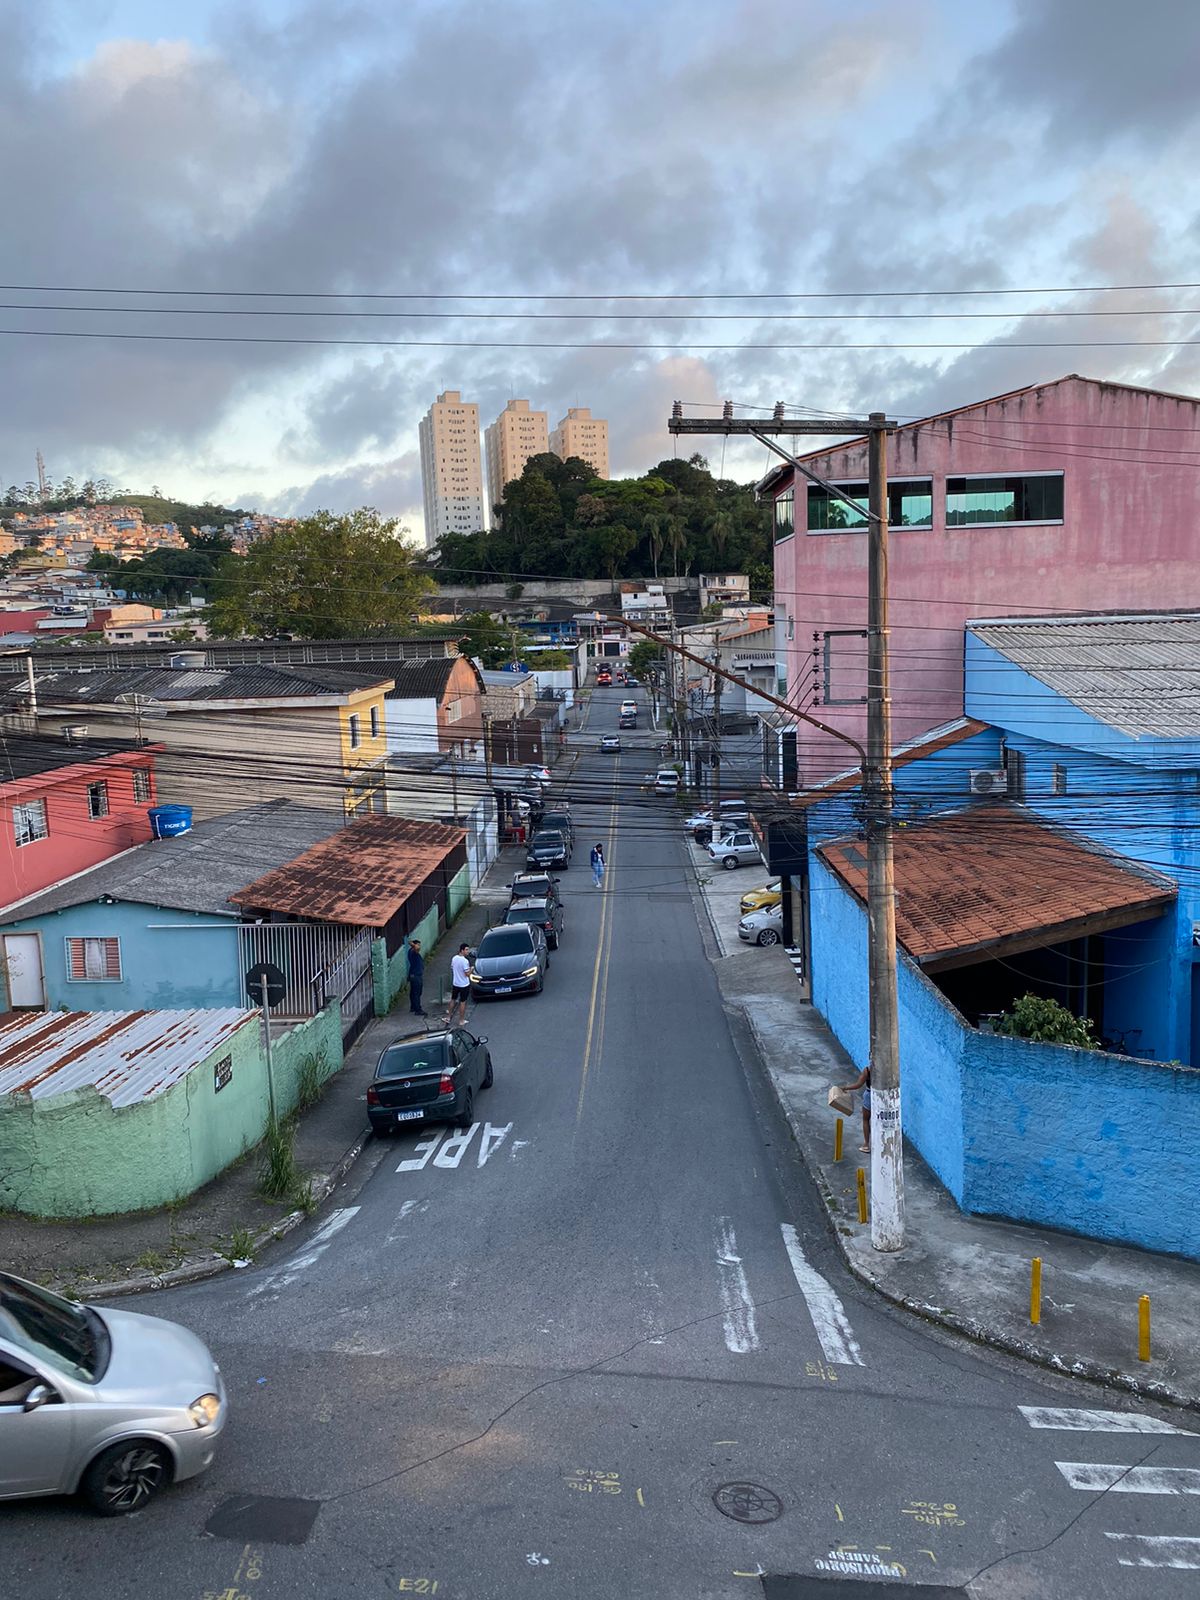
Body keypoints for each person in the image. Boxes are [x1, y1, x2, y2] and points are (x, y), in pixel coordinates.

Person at [840, 1064, 872, 1153]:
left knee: (866, 1120)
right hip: (882, 1097)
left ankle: (866, 1145)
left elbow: (858, 1085)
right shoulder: (887, 1069)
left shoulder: (868, 1070)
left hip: (870, 1096)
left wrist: (845, 1088)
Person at [445, 942, 472, 1026]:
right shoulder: (465, 961)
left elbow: (452, 968)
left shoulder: (454, 958)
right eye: (466, 950)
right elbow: (467, 974)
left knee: (453, 999)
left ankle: (448, 1017)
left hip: (456, 983)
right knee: (462, 1002)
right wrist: (471, 969)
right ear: (462, 950)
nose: (468, 951)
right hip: (464, 984)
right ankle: (461, 1020)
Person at [406, 938, 427, 1017]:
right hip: (416, 975)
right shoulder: (413, 952)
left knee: (413, 992)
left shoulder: (411, 952)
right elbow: (416, 948)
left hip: (414, 975)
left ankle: (413, 1007)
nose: (419, 947)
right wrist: (414, 945)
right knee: (417, 992)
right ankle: (418, 1009)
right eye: (418, 945)